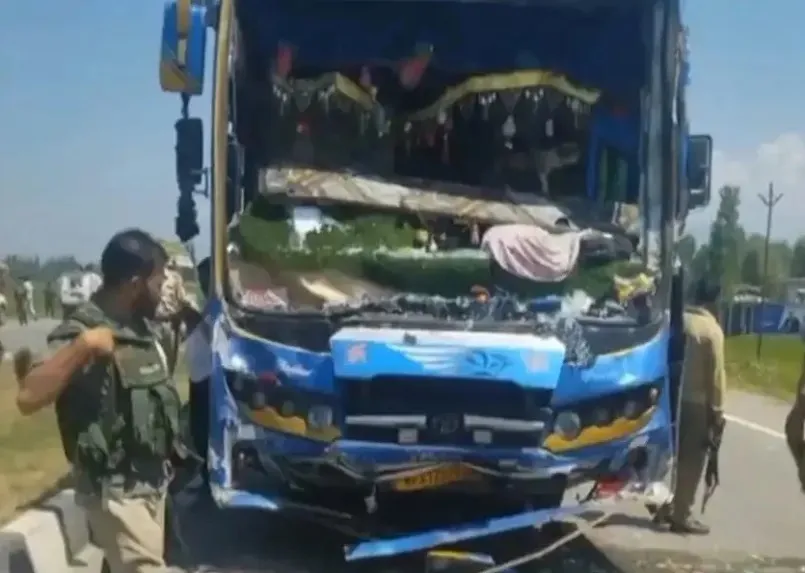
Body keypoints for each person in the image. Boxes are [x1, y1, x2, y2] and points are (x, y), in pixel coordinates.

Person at [15, 228, 202, 573]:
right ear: (134, 283)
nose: (163, 290)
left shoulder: (142, 329)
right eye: (157, 280)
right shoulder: (82, 331)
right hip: (115, 493)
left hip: (151, 488)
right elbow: (28, 396)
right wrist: (82, 348)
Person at [653, 278, 727, 534]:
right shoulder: (711, 330)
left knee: (667, 456)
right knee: (692, 462)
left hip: (670, 399)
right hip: (698, 404)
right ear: (714, 300)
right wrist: (717, 413)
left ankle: (663, 505)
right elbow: (716, 377)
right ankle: (681, 514)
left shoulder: (677, 320)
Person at [186, 257, 212, 493]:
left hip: (209, 379)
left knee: (205, 430)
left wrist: (195, 320)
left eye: (208, 278)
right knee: (197, 429)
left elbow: (218, 341)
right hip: (197, 377)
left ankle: (209, 478)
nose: (204, 284)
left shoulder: (220, 307)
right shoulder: (206, 304)